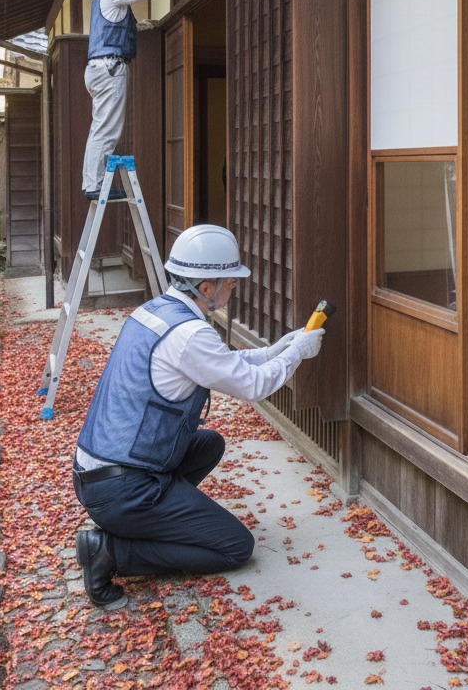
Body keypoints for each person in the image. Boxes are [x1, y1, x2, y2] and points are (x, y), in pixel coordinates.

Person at [72, 224, 325, 609]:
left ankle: (157, 522)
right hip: (124, 488)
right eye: (230, 282)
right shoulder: (190, 334)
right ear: (206, 288)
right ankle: (111, 550)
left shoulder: (155, 312)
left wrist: (278, 348)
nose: (233, 289)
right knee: (235, 547)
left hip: (100, 472)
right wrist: (298, 354)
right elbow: (253, 387)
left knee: (209, 443)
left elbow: (226, 364)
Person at [81, 0, 181, 199]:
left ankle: (92, 182)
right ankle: (94, 185)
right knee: (107, 130)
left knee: (100, 127)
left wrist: (138, 28)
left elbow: (111, 29)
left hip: (100, 68)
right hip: (110, 67)